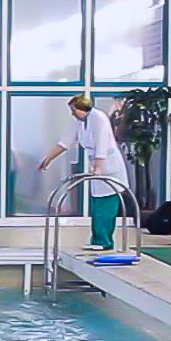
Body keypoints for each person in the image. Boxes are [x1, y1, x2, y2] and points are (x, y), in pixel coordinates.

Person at [36, 94, 131, 251]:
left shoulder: (99, 118)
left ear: (81, 108)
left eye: (73, 110)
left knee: (106, 207)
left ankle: (104, 242)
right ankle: (97, 240)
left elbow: (102, 143)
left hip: (109, 167)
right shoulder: (79, 122)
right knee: (97, 206)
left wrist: (99, 166)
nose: (72, 113)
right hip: (96, 167)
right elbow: (64, 143)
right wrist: (48, 159)